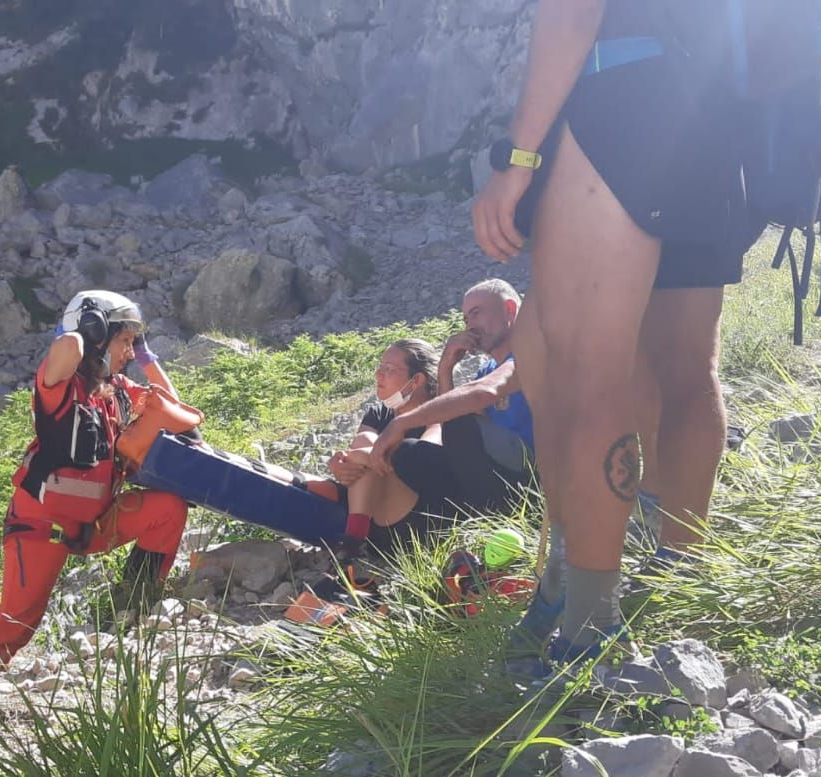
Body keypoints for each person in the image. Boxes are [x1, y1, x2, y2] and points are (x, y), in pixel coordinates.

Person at [470, 1, 764, 666]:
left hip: (617, 100)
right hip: (708, 117)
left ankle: (587, 627)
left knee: (583, 376)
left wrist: (516, 159)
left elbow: (572, 14)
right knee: (686, 365)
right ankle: (678, 576)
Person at [0, 291, 191, 683]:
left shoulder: (118, 390)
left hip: (95, 523)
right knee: (19, 622)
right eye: (124, 342)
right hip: (42, 529)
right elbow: (67, 349)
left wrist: (147, 358)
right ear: (97, 335)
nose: (129, 351)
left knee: (168, 510)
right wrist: (89, 327)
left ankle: (134, 605)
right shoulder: (59, 386)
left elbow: (175, 411)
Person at [367, 280, 535, 530]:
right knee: (411, 454)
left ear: (510, 310)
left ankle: (497, 525)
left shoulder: (534, 351)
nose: (471, 326)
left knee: (459, 422)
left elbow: (481, 395)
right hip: (497, 472)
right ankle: (457, 530)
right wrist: (446, 367)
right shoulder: (487, 370)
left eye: (477, 313)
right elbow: (455, 426)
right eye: (466, 319)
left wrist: (400, 423)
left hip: (535, 474)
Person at [323, 339, 444, 550]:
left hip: (420, 518)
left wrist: (354, 458)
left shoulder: (438, 412)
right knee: (364, 446)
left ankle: (352, 543)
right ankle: (355, 540)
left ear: (416, 380)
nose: (378, 374)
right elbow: (361, 452)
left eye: (389, 369)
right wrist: (340, 465)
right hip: (379, 514)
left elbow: (423, 458)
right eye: (380, 367)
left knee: (369, 454)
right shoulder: (379, 414)